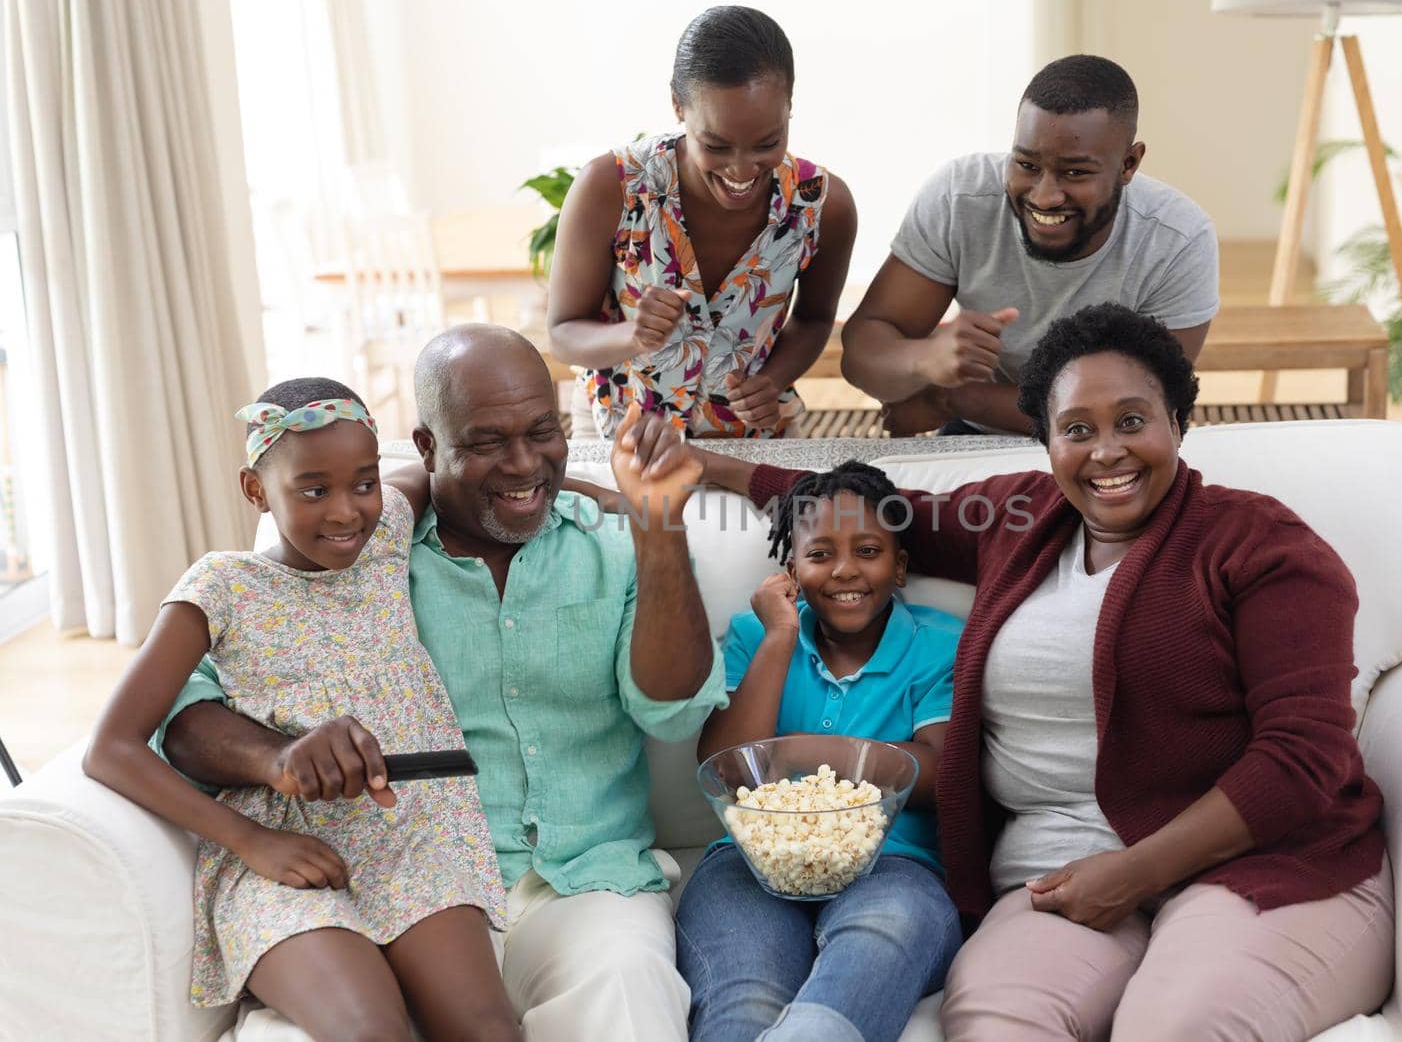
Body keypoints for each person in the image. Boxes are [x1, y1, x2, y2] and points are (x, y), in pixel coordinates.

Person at [681, 304, 1393, 1039]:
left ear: (1178, 421)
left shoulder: (1260, 545)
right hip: (1059, 875)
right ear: (1046, 440)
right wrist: (710, 467)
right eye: (1076, 429)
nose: (1106, 452)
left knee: (1176, 1025)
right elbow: (877, 520)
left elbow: (1303, 757)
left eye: (1132, 421)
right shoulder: (1021, 516)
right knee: (994, 1023)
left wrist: (1137, 870)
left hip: (1260, 867)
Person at [156, 326, 727, 1042]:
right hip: (402, 885)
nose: (523, 462)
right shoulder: (358, 555)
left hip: (586, 885)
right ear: (427, 448)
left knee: (630, 1002)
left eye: (542, 432)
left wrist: (657, 524)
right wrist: (275, 756)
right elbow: (182, 708)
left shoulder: (617, 544)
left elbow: (674, 714)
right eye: (487, 442)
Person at [83, 378, 520, 1042]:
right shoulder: (222, 586)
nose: (347, 511)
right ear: (256, 491)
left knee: (489, 1031)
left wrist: (595, 491)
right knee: (372, 1031)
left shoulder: (387, 535)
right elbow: (110, 746)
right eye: (314, 490)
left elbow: (445, 475)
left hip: (409, 842)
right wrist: (250, 840)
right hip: (280, 857)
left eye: (363, 482)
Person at [677, 462, 964, 1042]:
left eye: (868, 550)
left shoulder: (939, 643)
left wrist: (798, 752)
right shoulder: (756, 635)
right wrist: (781, 636)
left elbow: (939, 776)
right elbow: (728, 770)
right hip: (748, 862)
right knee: (743, 998)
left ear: (900, 567)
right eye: (820, 555)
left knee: (875, 948)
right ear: (791, 570)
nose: (845, 571)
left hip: (895, 866)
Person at [840, 55, 1219, 437]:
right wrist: (924, 360)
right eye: (1027, 165)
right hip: (982, 433)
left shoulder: (1178, 240)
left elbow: (1137, 412)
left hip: (1108, 450)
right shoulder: (959, 198)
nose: (1045, 196)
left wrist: (953, 399)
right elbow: (861, 356)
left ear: (1128, 164)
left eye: (1075, 172)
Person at [547, 4, 856, 439]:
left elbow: (814, 320)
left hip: (754, 439)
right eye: (716, 145)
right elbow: (562, 333)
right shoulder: (612, 187)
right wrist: (632, 336)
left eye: (768, 142)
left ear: (789, 106)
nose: (742, 169)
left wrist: (771, 381)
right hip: (621, 433)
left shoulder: (821, 205)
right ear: (677, 106)